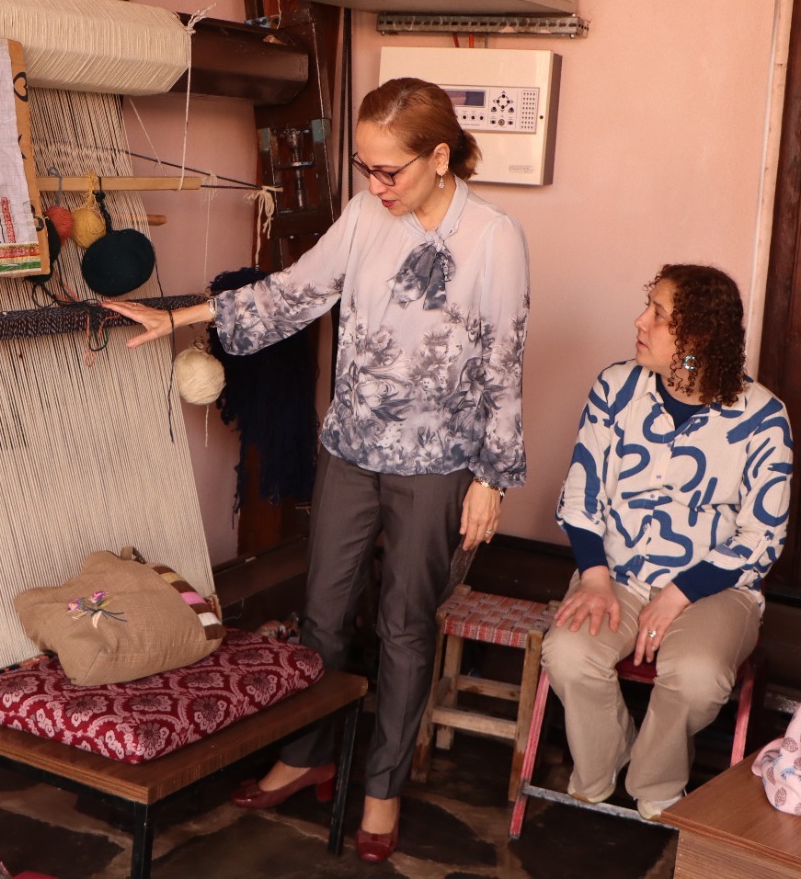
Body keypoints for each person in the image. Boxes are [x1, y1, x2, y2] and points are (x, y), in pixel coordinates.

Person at [104, 77, 529, 863]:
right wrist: (182, 315)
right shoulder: (366, 215)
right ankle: (306, 755)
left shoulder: (494, 238)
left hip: (438, 464)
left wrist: (491, 480)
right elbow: (295, 293)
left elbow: (503, 364)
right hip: (351, 450)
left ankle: (382, 788)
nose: (376, 184)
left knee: (404, 624)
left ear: (440, 157)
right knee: (322, 612)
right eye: (366, 167)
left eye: (390, 169)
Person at [542, 263, 793, 821]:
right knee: (568, 652)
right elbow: (581, 494)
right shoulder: (615, 388)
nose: (640, 321)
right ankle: (604, 766)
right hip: (617, 574)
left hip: (714, 590)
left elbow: (763, 536)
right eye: (648, 307)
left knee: (699, 676)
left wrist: (679, 593)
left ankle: (654, 783)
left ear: (697, 336)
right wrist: (594, 577)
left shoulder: (762, 418)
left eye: (658, 314)